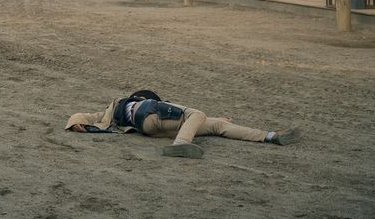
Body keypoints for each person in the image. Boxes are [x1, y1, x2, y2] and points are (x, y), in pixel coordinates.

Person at [65, 90, 298, 159]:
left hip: (147, 129)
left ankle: (270, 136)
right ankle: (181, 144)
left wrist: (76, 123)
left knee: (216, 126)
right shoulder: (143, 101)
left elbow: (85, 115)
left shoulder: (111, 111)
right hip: (150, 113)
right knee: (197, 113)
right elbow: (189, 116)